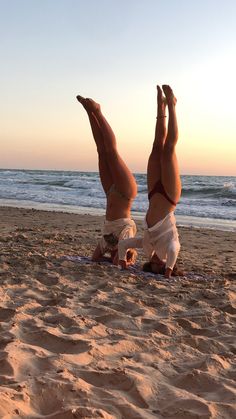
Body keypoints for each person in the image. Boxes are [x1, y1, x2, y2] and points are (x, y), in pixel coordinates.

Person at [118, 84, 181, 278]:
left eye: (151, 266)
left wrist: (122, 260)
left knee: (156, 147)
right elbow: (174, 249)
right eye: (158, 266)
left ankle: (160, 107)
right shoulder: (168, 251)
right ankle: (172, 105)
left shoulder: (147, 248)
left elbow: (124, 243)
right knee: (168, 150)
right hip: (169, 197)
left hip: (154, 193)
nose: (154, 263)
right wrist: (168, 269)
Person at [76, 95, 137, 265]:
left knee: (101, 152)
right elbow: (122, 255)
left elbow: (95, 258)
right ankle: (98, 111)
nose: (115, 257)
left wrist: (109, 259)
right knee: (111, 152)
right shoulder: (127, 237)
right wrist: (123, 259)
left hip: (110, 192)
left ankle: (90, 112)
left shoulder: (108, 243)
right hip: (126, 193)